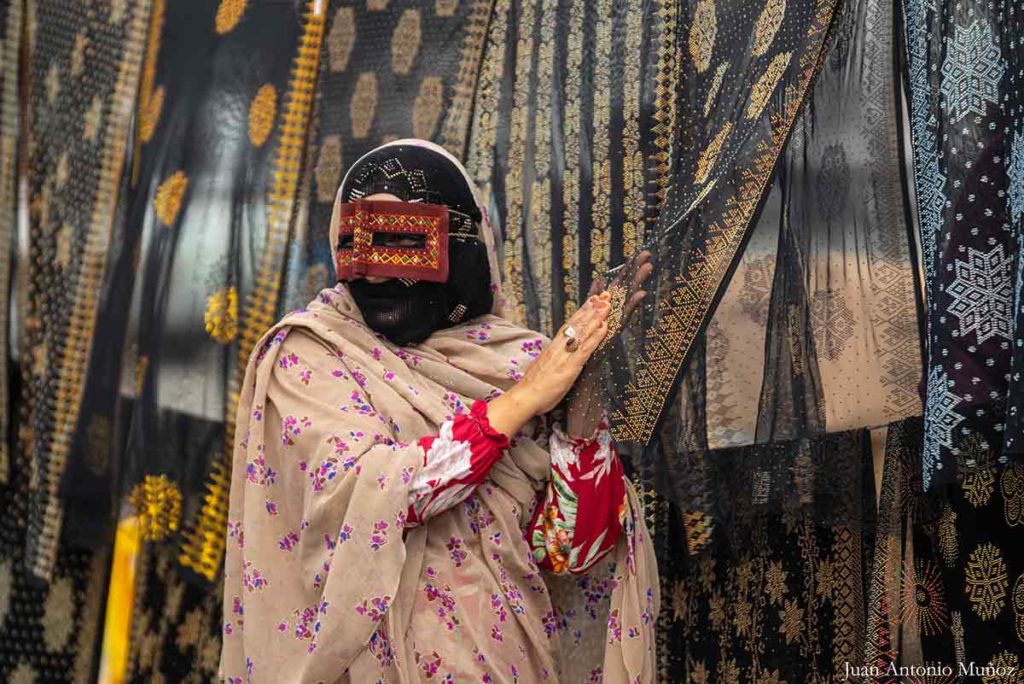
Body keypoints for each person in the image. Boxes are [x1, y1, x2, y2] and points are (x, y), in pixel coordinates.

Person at [220, 139, 658, 683]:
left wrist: (581, 394)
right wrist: (521, 402)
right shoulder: (313, 354)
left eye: (403, 241)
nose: (375, 272)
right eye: (355, 242)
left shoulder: (522, 361)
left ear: (465, 243)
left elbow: (571, 552)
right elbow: (375, 494)